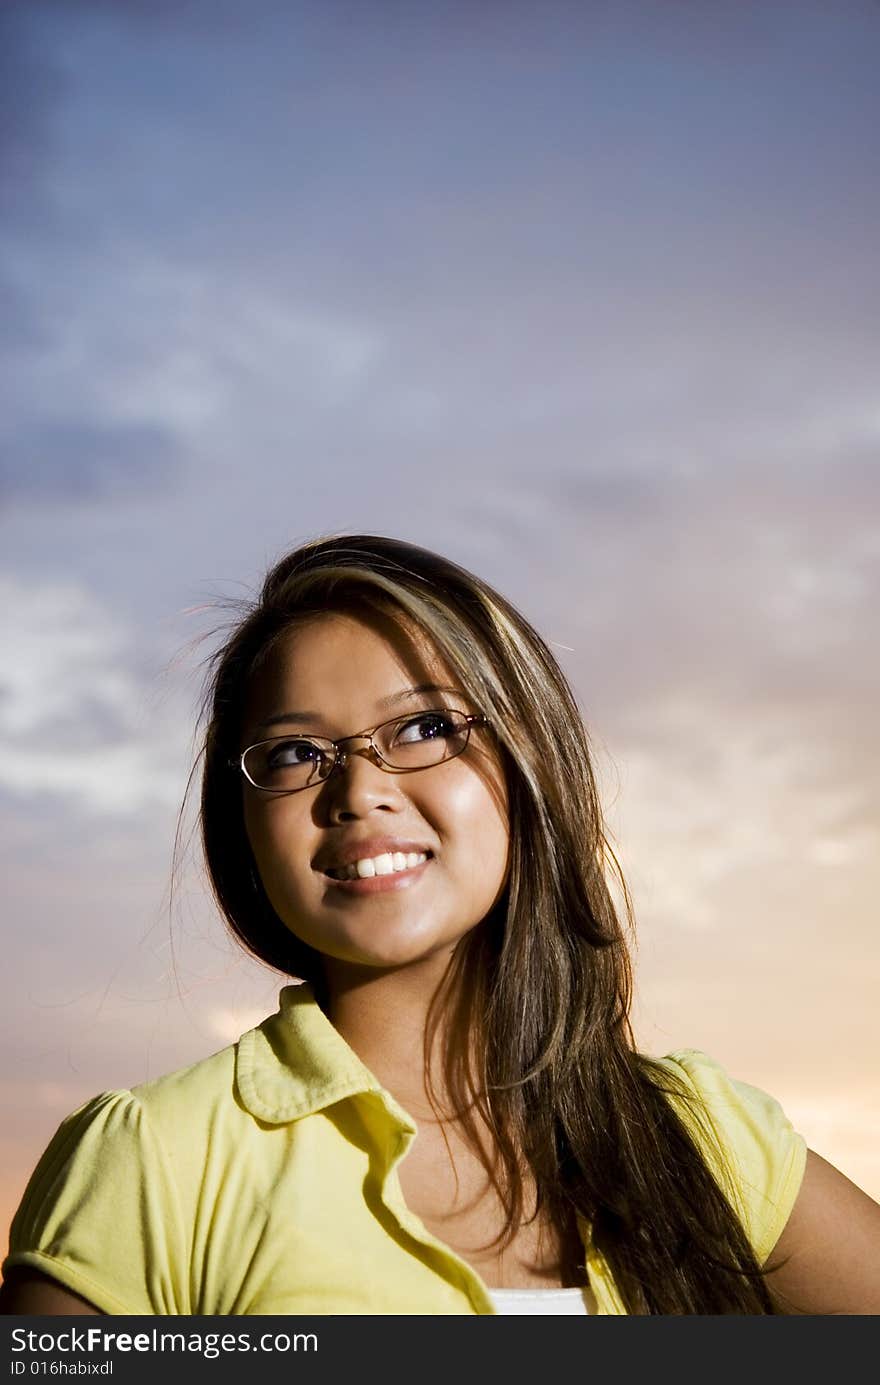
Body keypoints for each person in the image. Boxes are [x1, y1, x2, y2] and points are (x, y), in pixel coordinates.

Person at [2, 533, 879, 1317]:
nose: (357, 790)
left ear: (530, 759)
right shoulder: (153, 1157)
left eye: (422, 726)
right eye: (297, 753)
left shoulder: (703, 1136)